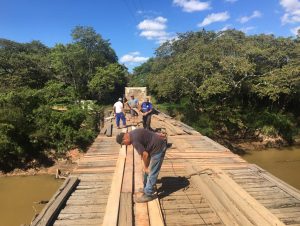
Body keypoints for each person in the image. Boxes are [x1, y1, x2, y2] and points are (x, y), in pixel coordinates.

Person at [116, 128, 167, 203]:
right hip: (153, 147)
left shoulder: (134, 140)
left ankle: (148, 194)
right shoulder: (133, 133)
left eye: (124, 144)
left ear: (124, 138)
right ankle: (147, 186)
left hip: (158, 149)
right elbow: (143, 149)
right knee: (146, 169)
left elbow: (145, 155)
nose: (125, 145)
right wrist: (145, 165)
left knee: (152, 172)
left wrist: (146, 167)